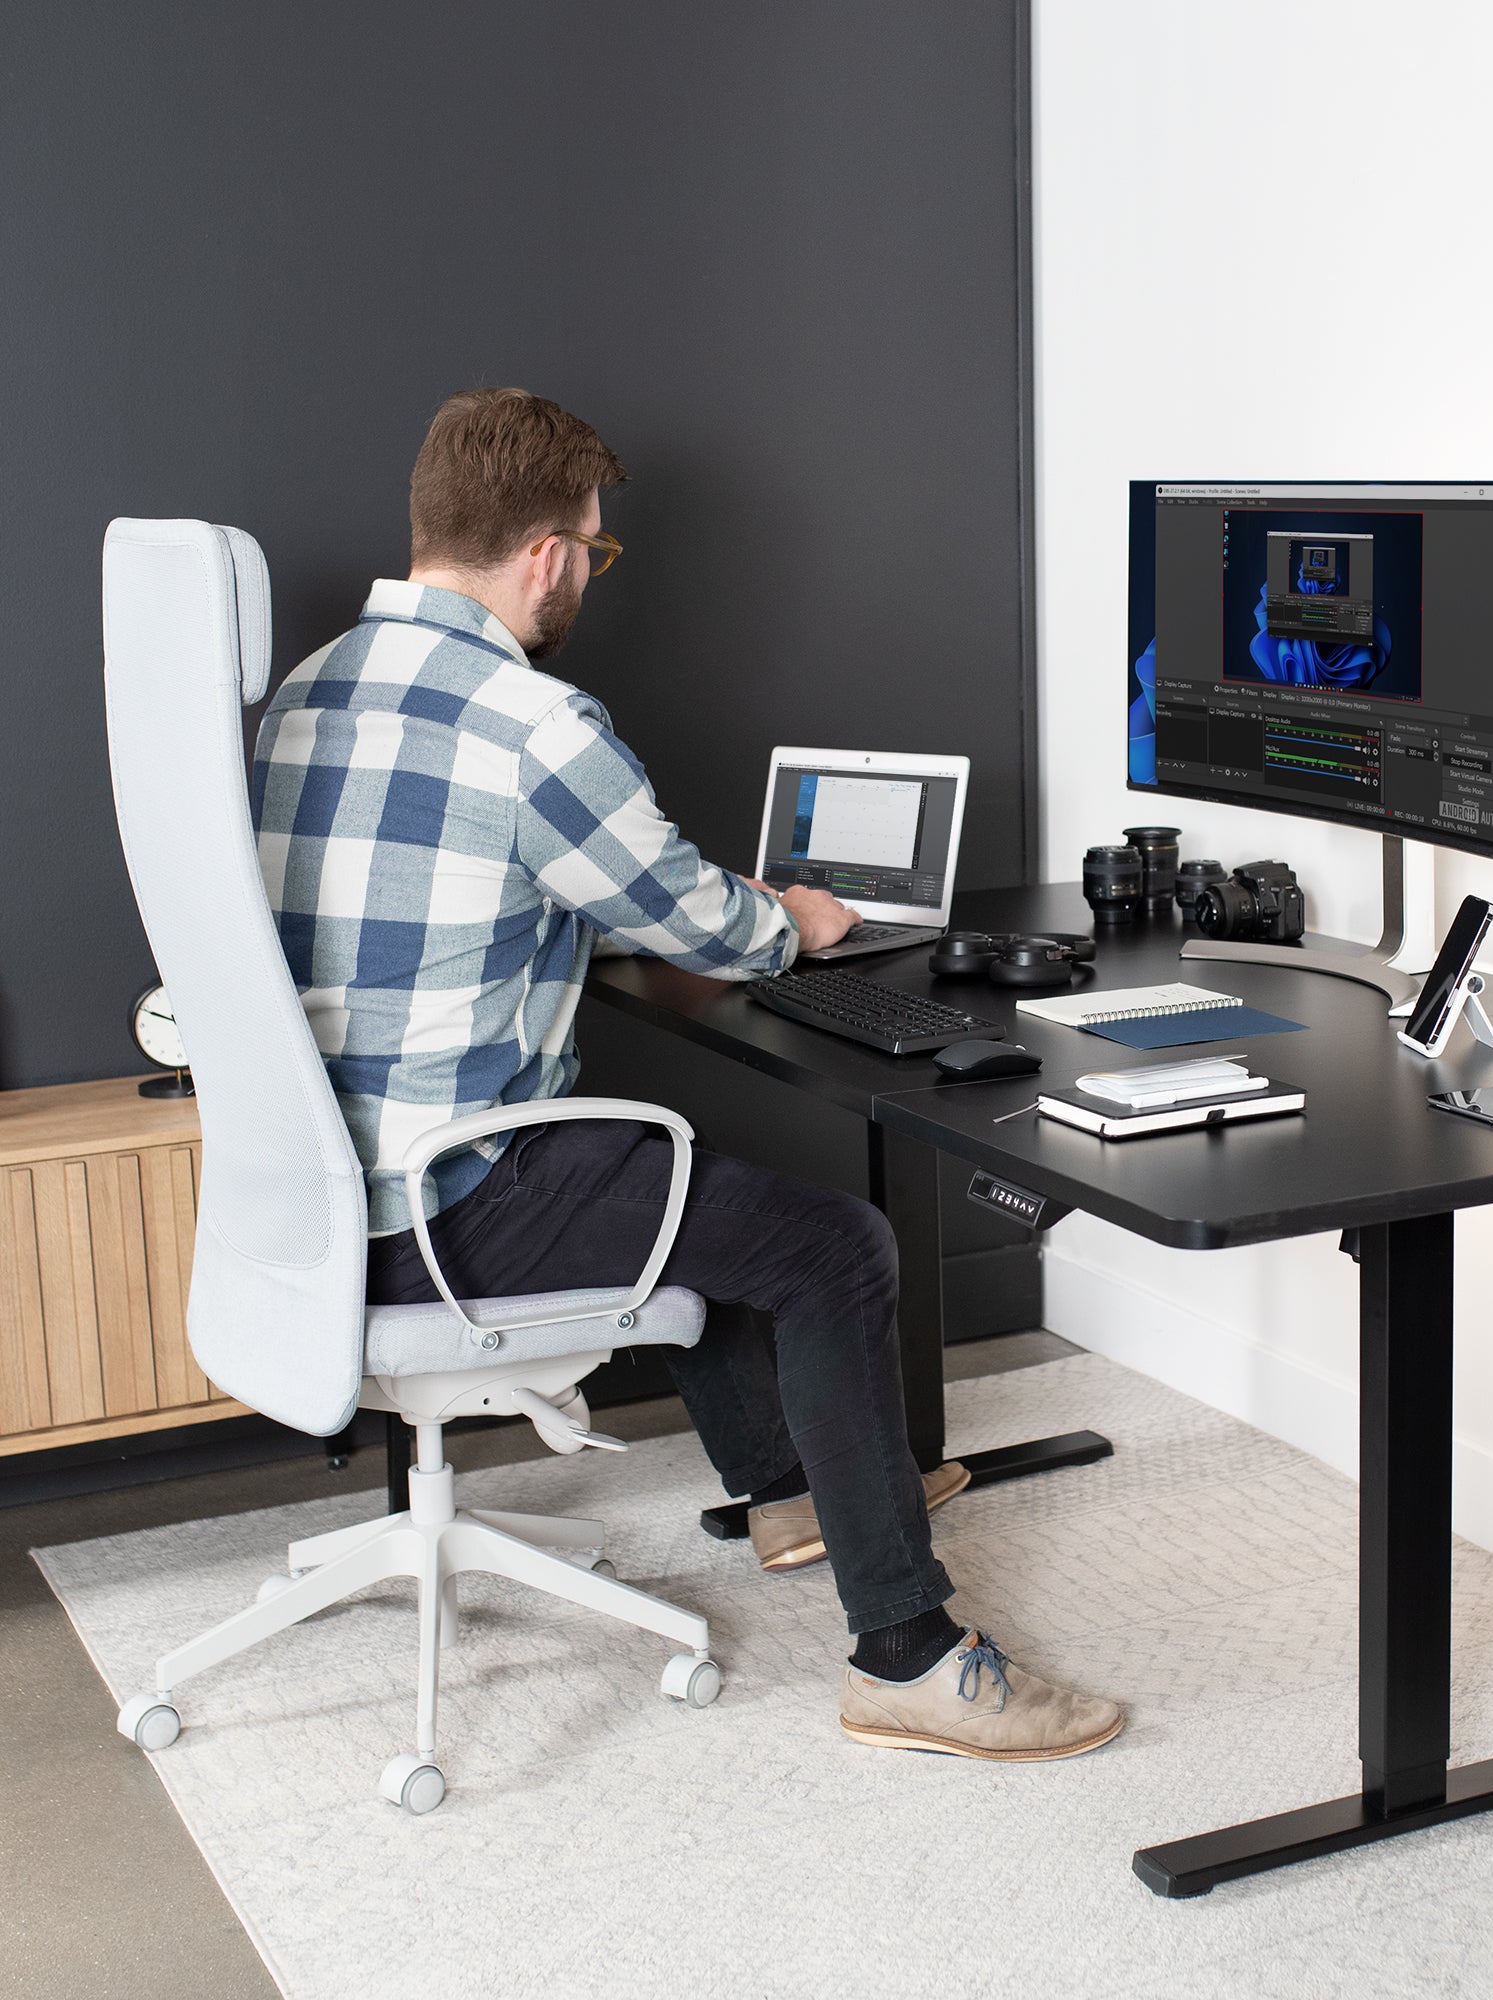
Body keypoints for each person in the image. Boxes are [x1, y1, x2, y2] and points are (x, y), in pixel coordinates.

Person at [250, 387, 1121, 1763]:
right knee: (835, 1245)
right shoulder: (533, 725)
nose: (589, 574)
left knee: (686, 1194)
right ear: (544, 553)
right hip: (447, 1203)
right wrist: (805, 919)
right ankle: (905, 1651)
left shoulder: (303, 693)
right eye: (594, 551)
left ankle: (787, 1494)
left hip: (309, 1203)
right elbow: (702, 924)